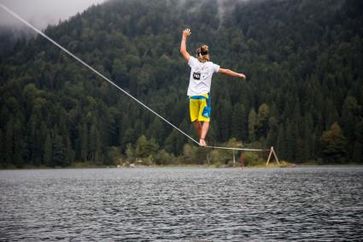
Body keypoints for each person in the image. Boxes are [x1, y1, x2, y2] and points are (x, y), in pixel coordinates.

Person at [180, 28, 246, 146]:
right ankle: (202, 139)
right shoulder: (211, 66)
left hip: (193, 98)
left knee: (195, 120)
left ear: (198, 55)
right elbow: (225, 71)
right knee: (206, 119)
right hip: (204, 97)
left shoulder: (193, 62)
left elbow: (183, 51)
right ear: (207, 56)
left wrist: (184, 36)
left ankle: (201, 139)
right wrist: (238, 75)